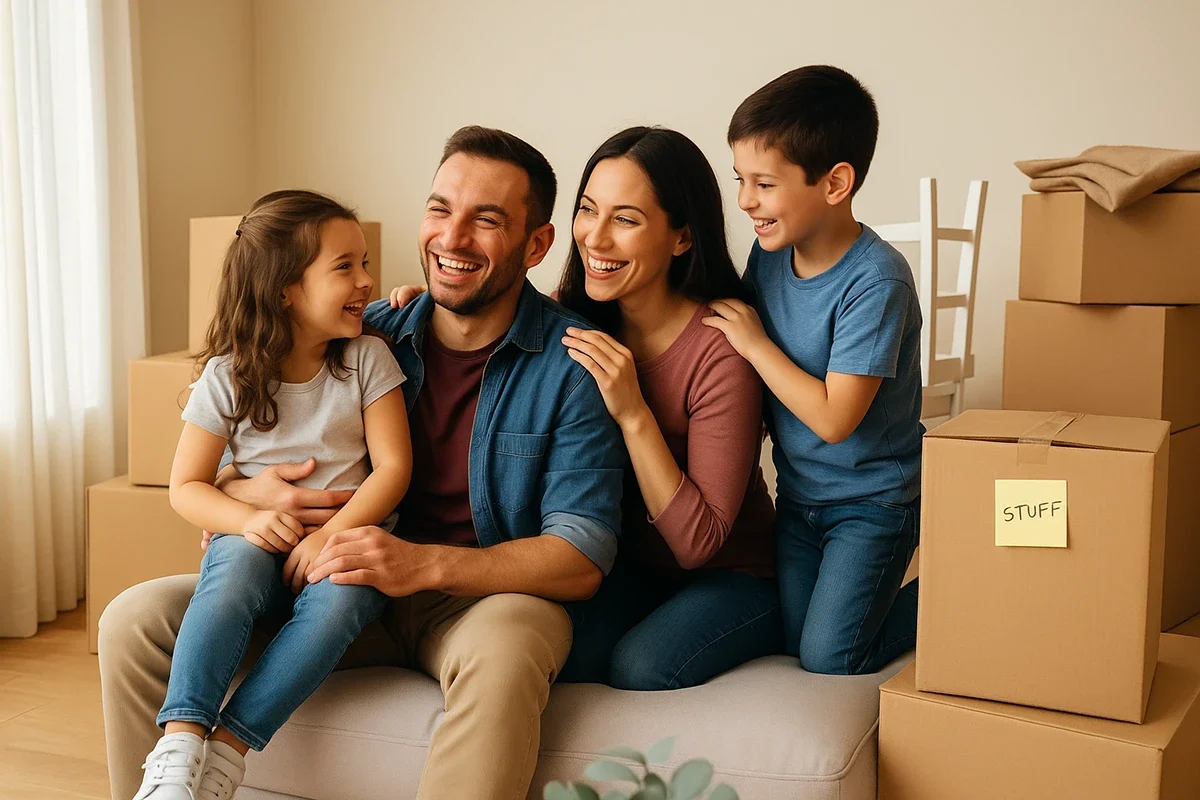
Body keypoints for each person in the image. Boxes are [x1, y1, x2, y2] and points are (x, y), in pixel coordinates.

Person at [99, 126, 626, 800]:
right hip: (327, 582)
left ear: (537, 245)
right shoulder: (366, 330)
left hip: (471, 602)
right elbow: (218, 462)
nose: (452, 237)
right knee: (134, 619)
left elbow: (582, 556)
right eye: (440, 209)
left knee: (514, 640)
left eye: (485, 219)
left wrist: (423, 564)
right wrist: (243, 493)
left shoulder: (574, 363)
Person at [134, 190, 411, 800]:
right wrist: (247, 519)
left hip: (348, 540)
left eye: (365, 263)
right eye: (346, 267)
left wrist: (332, 537)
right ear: (284, 287)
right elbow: (186, 487)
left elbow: (392, 471)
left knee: (339, 603)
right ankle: (179, 749)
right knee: (231, 571)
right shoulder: (227, 376)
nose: (367, 281)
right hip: (261, 533)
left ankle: (227, 756)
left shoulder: (369, 358)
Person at [706, 65, 923, 675]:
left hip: (872, 502)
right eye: (740, 179)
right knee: (795, 640)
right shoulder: (769, 251)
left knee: (830, 658)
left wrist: (755, 345)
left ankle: (953, 596)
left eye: (764, 184)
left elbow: (834, 418)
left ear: (835, 183)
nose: (746, 200)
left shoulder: (877, 278)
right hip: (799, 498)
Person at [555, 126, 779, 689]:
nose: (595, 238)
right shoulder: (570, 320)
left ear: (681, 237)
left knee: (643, 665)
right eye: (588, 210)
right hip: (627, 567)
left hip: (733, 575)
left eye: (625, 219)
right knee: (563, 657)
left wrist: (634, 413)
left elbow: (699, 543)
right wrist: (410, 310)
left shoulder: (720, 347)